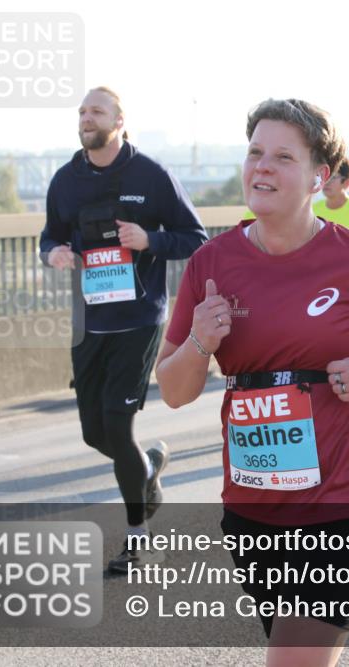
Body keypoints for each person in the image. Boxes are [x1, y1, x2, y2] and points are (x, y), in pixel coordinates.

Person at [155, 98, 349, 664]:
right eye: (255, 153)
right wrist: (200, 342)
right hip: (252, 508)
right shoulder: (209, 265)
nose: (262, 167)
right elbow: (173, 391)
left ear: (319, 176)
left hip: (346, 500)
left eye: (283, 157)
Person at [38, 86, 208, 573]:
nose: (85, 118)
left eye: (96, 111)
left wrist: (148, 238)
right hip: (89, 322)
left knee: (117, 423)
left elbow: (195, 238)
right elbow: (49, 235)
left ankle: (137, 540)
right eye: (81, 112)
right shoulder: (65, 180)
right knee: (95, 433)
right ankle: (148, 468)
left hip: (138, 319)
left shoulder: (150, 175)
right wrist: (53, 253)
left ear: (119, 119)